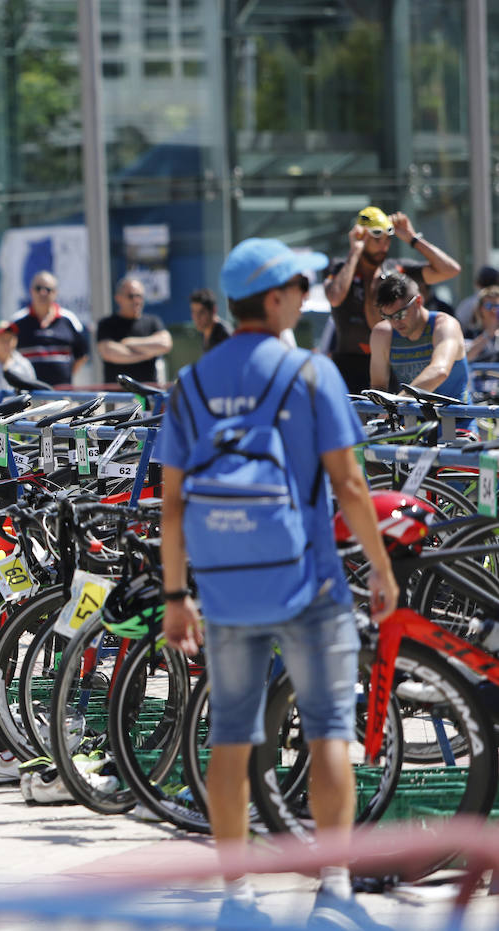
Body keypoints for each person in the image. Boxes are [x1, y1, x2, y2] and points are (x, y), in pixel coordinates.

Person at [156, 237, 398, 929]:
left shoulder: (191, 383)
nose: (304, 295)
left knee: (231, 737)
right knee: (327, 731)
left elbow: (171, 502)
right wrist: (380, 569)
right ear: (274, 297)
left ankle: (237, 899)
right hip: (311, 585)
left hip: (227, 590)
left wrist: (178, 597)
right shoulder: (310, 375)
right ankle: (335, 889)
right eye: (297, 284)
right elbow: (350, 483)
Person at [324, 206, 461, 393]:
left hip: (388, 364)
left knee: (388, 419)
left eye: (388, 239)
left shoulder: (395, 270)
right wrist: (355, 251)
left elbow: (450, 270)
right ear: (362, 237)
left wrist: (412, 238)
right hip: (348, 364)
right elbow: (334, 297)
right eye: (377, 239)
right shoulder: (341, 267)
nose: (384, 245)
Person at [369, 272, 469, 401]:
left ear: (418, 301)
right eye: (387, 317)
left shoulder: (445, 325)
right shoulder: (382, 333)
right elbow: (378, 386)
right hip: (412, 416)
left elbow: (439, 371)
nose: (395, 323)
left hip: (457, 417)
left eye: (400, 315)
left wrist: (396, 403)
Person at [11, 271, 89, 385]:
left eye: (48, 289)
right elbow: (9, 355)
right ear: (31, 291)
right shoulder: (17, 321)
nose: (43, 292)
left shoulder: (69, 319)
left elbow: (82, 355)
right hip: (28, 395)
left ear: (55, 293)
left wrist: (65, 375)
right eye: (38, 288)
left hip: (62, 394)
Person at [96, 277, 170, 384]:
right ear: (118, 298)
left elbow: (165, 344)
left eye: (139, 296)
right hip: (117, 396)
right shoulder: (106, 324)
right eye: (131, 296)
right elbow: (109, 352)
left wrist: (129, 343)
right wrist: (148, 353)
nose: (136, 300)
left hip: (146, 396)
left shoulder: (153, 321)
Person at [189, 288, 230, 354]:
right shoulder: (204, 332)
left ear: (213, 310)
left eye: (201, 312)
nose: (197, 318)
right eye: (193, 312)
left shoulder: (225, 336)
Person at [465, 286, 499, 364]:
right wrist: (488, 334)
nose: (493, 310)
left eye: (497, 306)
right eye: (488, 306)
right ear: (480, 309)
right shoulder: (470, 333)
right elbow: (467, 357)